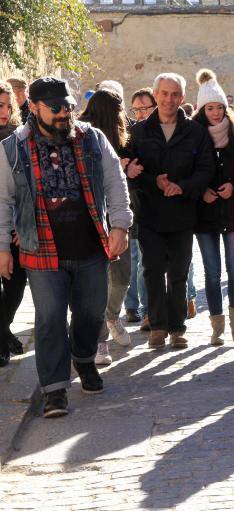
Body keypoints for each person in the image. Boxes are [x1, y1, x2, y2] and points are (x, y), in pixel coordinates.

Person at [0, 77, 132, 417]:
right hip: (40, 249)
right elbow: (3, 201)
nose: (64, 113)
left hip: (89, 245)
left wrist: (120, 224)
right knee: (50, 318)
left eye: (68, 106)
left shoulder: (92, 139)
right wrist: (2, 246)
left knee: (91, 313)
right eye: (55, 107)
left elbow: (115, 183)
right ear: (34, 107)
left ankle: (84, 359)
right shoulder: (12, 148)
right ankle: (54, 390)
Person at [126, 72, 214, 350]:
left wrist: (183, 187)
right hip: (150, 212)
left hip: (182, 213)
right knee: (152, 271)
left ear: (182, 98)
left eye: (174, 94)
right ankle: (158, 326)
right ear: (155, 95)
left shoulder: (196, 132)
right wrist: (154, 181)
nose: (169, 99)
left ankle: (177, 327)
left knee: (178, 272)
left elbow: (206, 169)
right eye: (164, 93)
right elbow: (130, 169)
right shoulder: (138, 132)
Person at [78, 89, 134, 366]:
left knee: (123, 275)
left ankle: (112, 316)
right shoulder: (83, 136)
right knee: (96, 281)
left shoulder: (125, 137)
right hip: (89, 217)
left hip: (119, 216)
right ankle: (99, 340)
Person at [193, 69, 234, 345]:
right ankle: (217, 326)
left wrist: (233, 187)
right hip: (204, 215)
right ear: (202, 109)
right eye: (210, 108)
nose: (215, 113)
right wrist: (201, 191)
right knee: (212, 272)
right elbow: (186, 171)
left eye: (219, 108)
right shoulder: (192, 135)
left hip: (232, 213)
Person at [124, 88, 157, 327]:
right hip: (135, 202)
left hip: (159, 202)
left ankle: (148, 309)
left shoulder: (162, 131)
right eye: (136, 109)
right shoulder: (130, 134)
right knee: (137, 258)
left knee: (147, 259)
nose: (140, 113)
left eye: (144, 108)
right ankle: (138, 308)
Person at [0, 81, 26, 367]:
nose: (5, 112)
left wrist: (22, 223)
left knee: (17, 285)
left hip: (15, 227)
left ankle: (3, 330)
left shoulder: (19, 141)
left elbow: (25, 187)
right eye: (0, 106)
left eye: (9, 106)